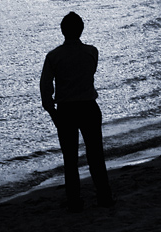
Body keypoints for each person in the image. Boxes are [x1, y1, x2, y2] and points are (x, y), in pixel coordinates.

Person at [40, 11, 115, 212]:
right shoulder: (91, 52)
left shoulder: (53, 56)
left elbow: (45, 89)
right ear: (81, 29)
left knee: (70, 159)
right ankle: (104, 196)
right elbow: (89, 73)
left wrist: (53, 112)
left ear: (62, 31)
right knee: (96, 155)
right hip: (89, 107)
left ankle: (74, 200)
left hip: (66, 110)